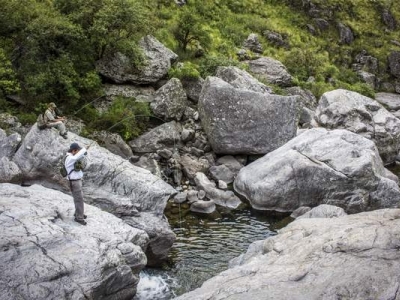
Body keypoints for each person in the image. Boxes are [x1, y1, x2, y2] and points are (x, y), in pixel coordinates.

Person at [65, 142, 88, 225]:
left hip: (76, 181)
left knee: (78, 198)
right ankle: (79, 218)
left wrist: (84, 152)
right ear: (74, 151)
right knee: (79, 199)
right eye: (78, 150)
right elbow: (76, 157)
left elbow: (80, 156)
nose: (78, 152)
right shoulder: (70, 158)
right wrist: (85, 149)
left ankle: (78, 213)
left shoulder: (72, 157)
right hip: (75, 182)